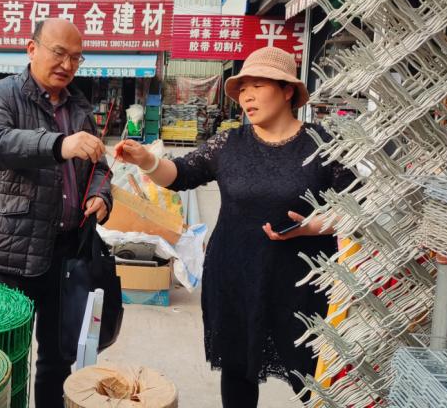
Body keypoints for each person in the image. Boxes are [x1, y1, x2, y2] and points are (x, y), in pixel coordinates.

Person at [116, 47, 356, 407]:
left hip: (300, 284)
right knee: (238, 371)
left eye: (258, 86)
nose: (247, 97)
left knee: (314, 377)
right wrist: (148, 160)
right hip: (233, 276)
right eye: (243, 89)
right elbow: (181, 174)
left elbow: (360, 209)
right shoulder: (230, 143)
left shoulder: (321, 146)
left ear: (287, 90)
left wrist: (314, 226)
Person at [0, 18, 113, 407]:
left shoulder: (79, 107)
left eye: (76, 58)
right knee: (2, 356)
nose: (67, 65)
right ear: (32, 49)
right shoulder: (0, 92)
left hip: (66, 253)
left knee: (58, 357)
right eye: (59, 53)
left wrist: (101, 195)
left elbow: (99, 166)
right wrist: (58, 144)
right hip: (11, 251)